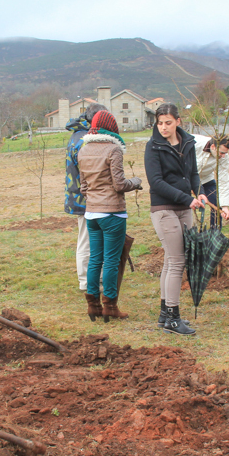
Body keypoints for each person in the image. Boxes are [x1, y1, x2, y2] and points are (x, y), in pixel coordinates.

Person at [145, 103, 208, 335]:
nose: (163, 127)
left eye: (168, 123)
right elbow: (156, 182)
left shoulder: (188, 143)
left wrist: (199, 191)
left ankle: (164, 314)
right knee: (177, 261)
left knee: (170, 262)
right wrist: (186, 197)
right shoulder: (153, 147)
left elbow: (192, 173)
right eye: (160, 123)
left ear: (178, 122)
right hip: (163, 208)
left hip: (185, 207)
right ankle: (173, 317)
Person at [78, 110, 142, 322]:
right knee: (112, 261)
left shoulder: (83, 149)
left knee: (95, 259)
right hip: (112, 213)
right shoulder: (114, 149)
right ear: (111, 127)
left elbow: (84, 187)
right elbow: (119, 184)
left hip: (91, 214)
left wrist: (95, 199)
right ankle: (110, 305)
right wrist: (136, 182)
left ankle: (93, 305)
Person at [65, 103, 108, 292]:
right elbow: (89, 171)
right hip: (85, 198)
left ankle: (95, 277)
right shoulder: (84, 139)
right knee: (86, 239)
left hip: (87, 196)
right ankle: (85, 281)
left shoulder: (80, 135)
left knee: (93, 239)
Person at [193, 134, 229, 228]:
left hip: (206, 178)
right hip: (184, 178)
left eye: (225, 153)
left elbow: (224, 180)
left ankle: (215, 234)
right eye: (221, 153)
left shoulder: (224, 157)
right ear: (213, 147)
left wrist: (225, 206)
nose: (223, 156)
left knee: (216, 203)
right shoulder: (194, 143)